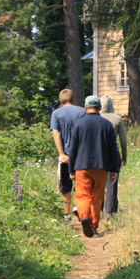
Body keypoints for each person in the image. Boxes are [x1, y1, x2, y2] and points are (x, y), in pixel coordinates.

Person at [68, 95, 121, 237]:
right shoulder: (106, 124)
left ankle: (84, 215)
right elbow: (113, 148)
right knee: (97, 196)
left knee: (82, 194)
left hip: (82, 166)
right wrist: (114, 168)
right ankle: (93, 226)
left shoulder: (79, 124)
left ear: (86, 107)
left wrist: (71, 169)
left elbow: (73, 149)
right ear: (99, 108)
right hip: (102, 166)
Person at [50, 88, 86, 220]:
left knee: (65, 186)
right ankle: (80, 210)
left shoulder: (56, 113)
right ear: (73, 99)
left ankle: (67, 215)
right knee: (80, 183)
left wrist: (61, 153)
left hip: (65, 154)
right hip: (81, 155)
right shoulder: (82, 111)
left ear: (60, 101)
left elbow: (55, 133)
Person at [100, 95, 128, 217]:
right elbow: (123, 140)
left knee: (98, 183)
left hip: (98, 154)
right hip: (113, 154)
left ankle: (98, 209)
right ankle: (110, 213)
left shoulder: (96, 118)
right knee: (112, 183)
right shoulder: (117, 119)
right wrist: (124, 157)